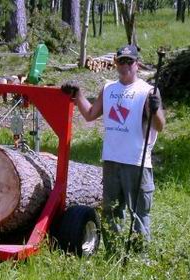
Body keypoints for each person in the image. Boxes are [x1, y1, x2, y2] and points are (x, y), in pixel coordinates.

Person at [61, 44, 165, 253]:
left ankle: (139, 257)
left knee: (139, 213)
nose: (125, 65)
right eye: (121, 61)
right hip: (111, 160)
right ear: (116, 63)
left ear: (137, 64)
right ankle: (114, 253)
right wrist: (78, 94)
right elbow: (90, 114)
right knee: (110, 211)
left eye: (129, 61)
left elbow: (160, 126)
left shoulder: (148, 92)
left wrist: (154, 109)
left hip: (136, 162)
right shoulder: (109, 89)